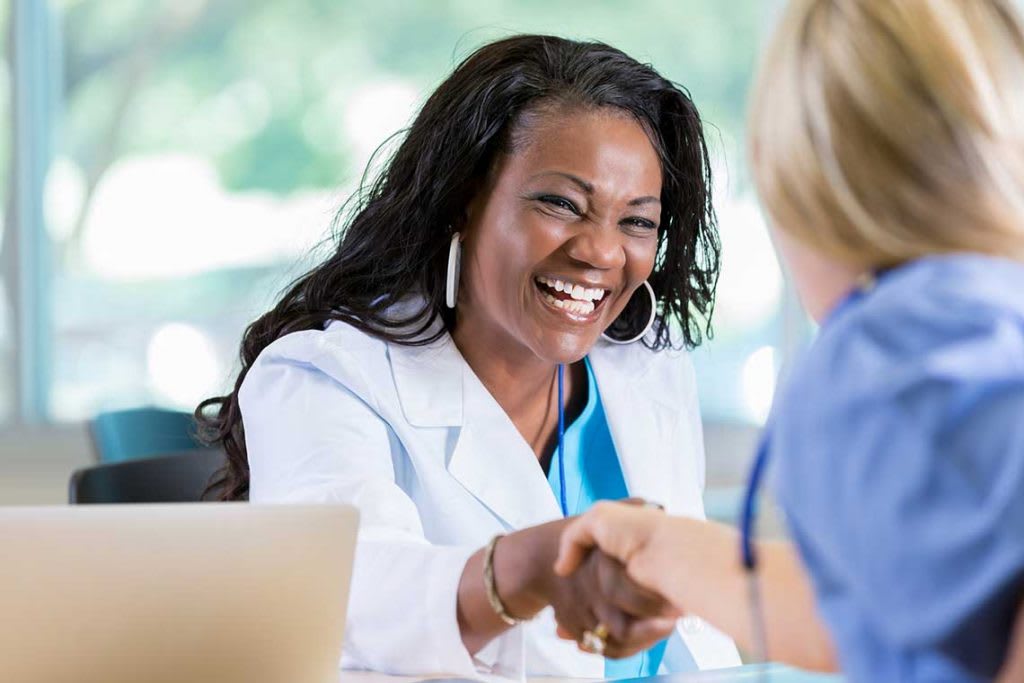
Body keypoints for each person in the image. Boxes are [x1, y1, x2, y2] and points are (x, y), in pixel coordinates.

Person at [196, 35, 739, 678]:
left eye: (637, 221)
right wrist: (532, 566)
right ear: (464, 199)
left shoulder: (649, 365)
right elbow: (351, 602)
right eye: (561, 204)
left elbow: (694, 632)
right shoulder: (324, 378)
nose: (600, 252)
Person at [555, 1, 1024, 681]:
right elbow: (886, 611)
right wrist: (664, 550)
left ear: (806, 176)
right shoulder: (991, 312)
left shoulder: (896, 348)